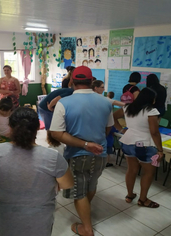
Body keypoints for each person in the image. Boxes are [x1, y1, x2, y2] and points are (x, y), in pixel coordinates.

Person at [0, 107, 73, 236]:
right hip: (38, 221)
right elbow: (67, 184)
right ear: (37, 128)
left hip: (3, 218)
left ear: (10, 127)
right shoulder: (52, 157)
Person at [50, 66, 114, 236]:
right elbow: (108, 129)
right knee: (92, 185)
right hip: (100, 154)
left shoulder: (64, 103)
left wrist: (84, 144)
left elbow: (56, 133)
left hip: (77, 155)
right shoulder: (106, 102)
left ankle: (87, 228)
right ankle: (85, 210)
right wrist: (94, 143)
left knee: (79, 192)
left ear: (72, 81)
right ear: (92, 81)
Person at [113, 87, 163, 208]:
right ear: (152, 100)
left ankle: (130, 195)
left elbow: (113, 117)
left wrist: (121, 129)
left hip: (127, 142)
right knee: (148, 172)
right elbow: (154, 132)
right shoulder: (151, 111)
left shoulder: (128, 107)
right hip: (144, 144)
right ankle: (143, 199)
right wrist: (160, 150)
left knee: (131, 170)